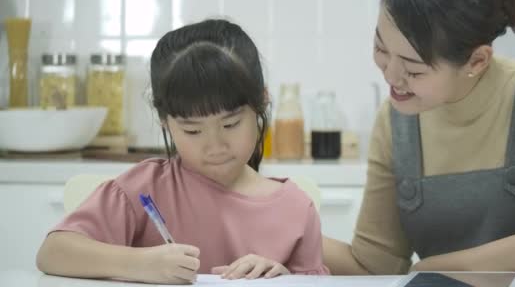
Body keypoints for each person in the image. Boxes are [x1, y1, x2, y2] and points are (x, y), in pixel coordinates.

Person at [322, 0, 515, 278]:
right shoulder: (395, 121)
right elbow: (376, 264)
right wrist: (276, 223)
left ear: (477, 61)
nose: (390, 76)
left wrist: (430, 268)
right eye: (380, 48)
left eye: (414, 70)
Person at [36, 18, 329, 284]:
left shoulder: (295, 209)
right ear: (165, 121)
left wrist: (283, 277)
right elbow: (53, 252)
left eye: (231, 124)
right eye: (192, 131)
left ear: (262, 103)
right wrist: (139, 264)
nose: (214, 145)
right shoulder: (143, 189)